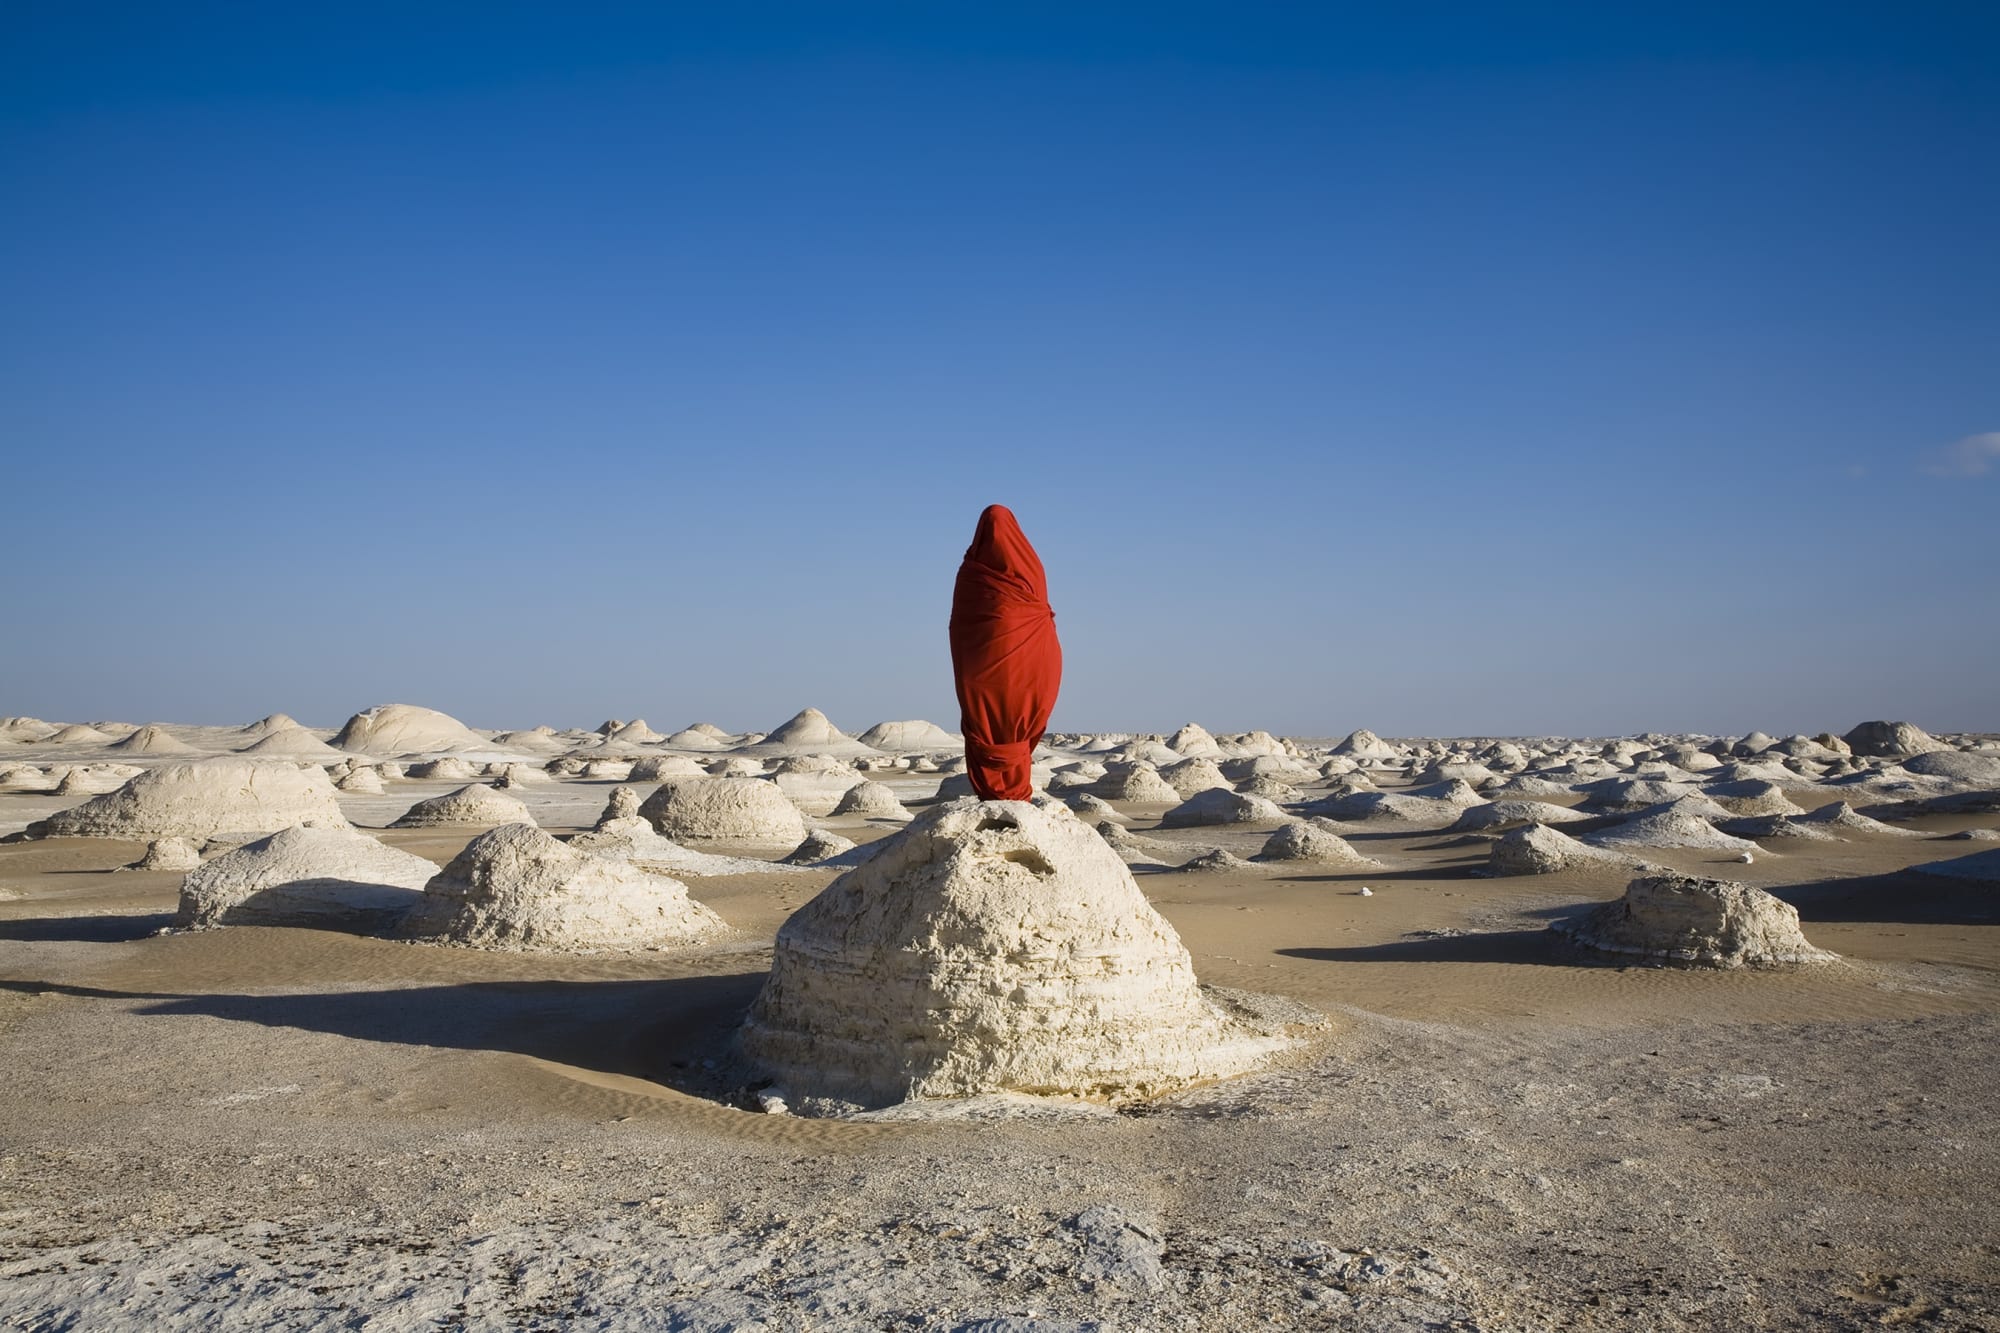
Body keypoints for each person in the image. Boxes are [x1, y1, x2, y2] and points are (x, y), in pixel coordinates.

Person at [948, 504, 1063, 801]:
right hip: (1030, 664)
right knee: (1016, 722)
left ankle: (995, 793)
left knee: (986, 721)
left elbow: (961, 627)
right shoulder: (1031, 565)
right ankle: (1013, 792)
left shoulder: (970, 571)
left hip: (982, 668)